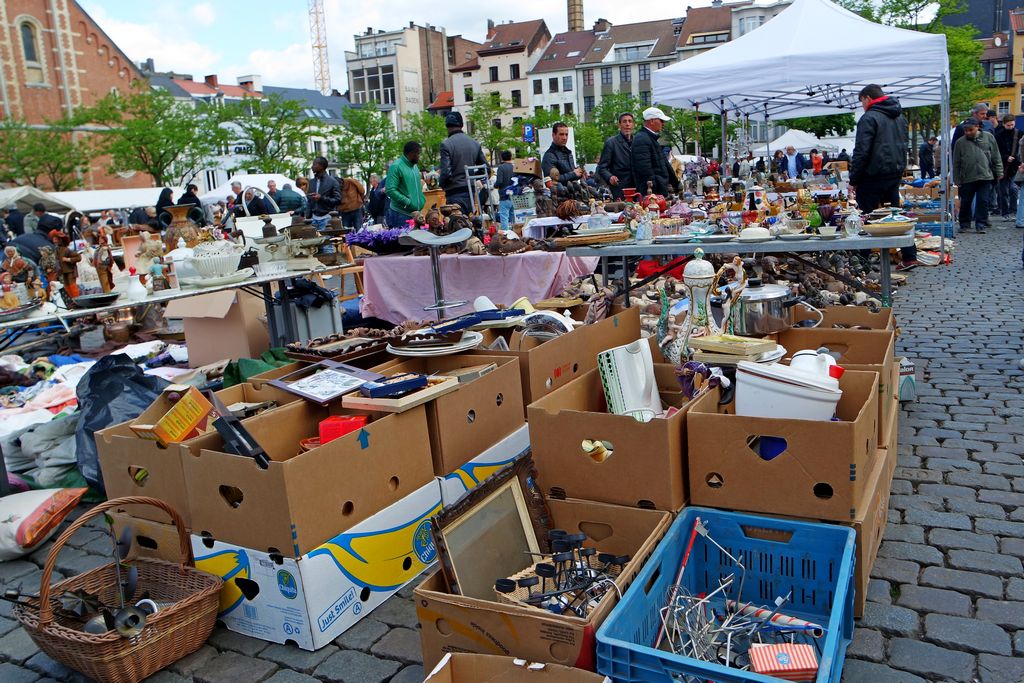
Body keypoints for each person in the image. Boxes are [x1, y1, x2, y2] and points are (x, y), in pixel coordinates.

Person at [850, 84, 919, 269]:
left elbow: (861, 151)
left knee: (866, 216)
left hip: (872, 175)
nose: (862, 106)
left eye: (862, 102)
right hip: (894, 173)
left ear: (867, 98)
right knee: (895, 215)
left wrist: (853, 179)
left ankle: (862, 261)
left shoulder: (869, 118)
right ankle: (909, 256)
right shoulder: (899, 117)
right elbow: (904, 146)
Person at [952, 118, 1002, 234]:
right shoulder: (960, 142)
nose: (967, 132)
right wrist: (957, 178)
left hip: (985, 175)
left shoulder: (989, 137)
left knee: (983, 201)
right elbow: (956, 162)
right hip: (967, 176)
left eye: (970, 130)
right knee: (966, 201)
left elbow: (996, 156)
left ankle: (981, 224)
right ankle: (964, 224)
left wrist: (999, 172)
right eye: (965, 130)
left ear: (978, 127)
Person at [438, 111, 487, 214]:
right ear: (462, 124)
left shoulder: (446, 145)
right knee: (470, 224)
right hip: (471, 192)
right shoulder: (474, 143)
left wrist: (442, 184)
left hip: (454, 193)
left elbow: (446, 173)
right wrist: (472, 176)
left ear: (447, 126)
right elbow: (486, 169)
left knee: (457, 226)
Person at [631, 107, 680, 197]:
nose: (663, 123)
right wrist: (656, 192)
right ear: (652, 121)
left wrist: (676, 184)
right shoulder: (642, 139)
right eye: (661, 120)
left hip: (656, 192)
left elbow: (663, 164)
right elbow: (645, 170)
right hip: (652, 195)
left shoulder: (648, 138)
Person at [384, 142, 425, 228]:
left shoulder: (415, 167)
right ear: (411, 153)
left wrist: (422, 199)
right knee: (403, 241)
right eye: (418, 153)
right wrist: (407, 201)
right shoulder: (396, 166)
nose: (419, 156)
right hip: (401, 214)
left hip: (415, 214)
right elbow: (390, 189)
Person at [596, 113, 634, 200]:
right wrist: (610, 177)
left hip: (636, 189)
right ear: (619, 125)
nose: (627, 124)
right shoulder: (611, 143)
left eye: (630, 121)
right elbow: (602, 167)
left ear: (633, 125)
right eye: (624, 121)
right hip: (620, 189)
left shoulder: (637, 142)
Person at [543, 122, 584, 194]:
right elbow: (552, 181)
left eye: (566, 134)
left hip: (573, 194)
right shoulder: (549, 155)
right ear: (553, 135)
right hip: (561, 197)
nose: (564, 138)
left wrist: (579, 173)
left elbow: (571, 174)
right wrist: (573, 174)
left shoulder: (568, 153)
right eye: (561, 134)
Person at [306, 156, 342, 229]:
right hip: (313, 219)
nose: (312, 167)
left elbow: (338, 200)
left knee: (327, 239)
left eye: (314, 164)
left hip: (327, 218)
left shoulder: (332, 182)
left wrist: (321, 198)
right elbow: (309, 202)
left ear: (321, 166)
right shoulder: (311, 182)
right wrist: (307, 217)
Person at [994, 114, 1019, 218]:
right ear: (1004, 124)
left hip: (1015, 166)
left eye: (1012, 125)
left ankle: (1013, 210)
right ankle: (1005, 212)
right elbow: (996, 151)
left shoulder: (1019, 134)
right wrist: (1005, 157)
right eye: (1008, 125)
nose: (1010, 127)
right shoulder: (998, 135)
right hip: (1003, 166)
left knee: (1013, 189)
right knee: (1003, 191)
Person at [494, 150, 515, 231]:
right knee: (513, 217)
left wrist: (495, 185)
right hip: (514, 196)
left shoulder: (501, 167)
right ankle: (514, 234)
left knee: (504, 218)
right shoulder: (515, 167)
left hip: (504, 196)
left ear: (502, 158)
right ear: (511, 157)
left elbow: (499, 181)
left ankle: (505, 237)